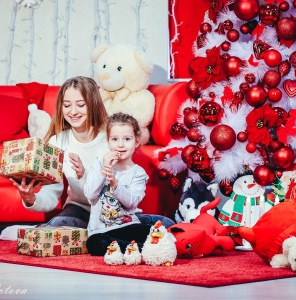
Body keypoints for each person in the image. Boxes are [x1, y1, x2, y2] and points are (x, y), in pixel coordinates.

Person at [9, 76, 174, 231]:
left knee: (165, 225)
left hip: (112, 210)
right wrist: (31, 199)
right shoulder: (57, 142)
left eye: (80, 105)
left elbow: (121, 187)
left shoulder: (110, 140)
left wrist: (85, 175)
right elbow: (52, 192)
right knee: (58, 225)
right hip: (78, 209)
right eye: (67, 105)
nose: (73, 111)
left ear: (93, 104)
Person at [85, 112, 153, 255]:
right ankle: (138, 249)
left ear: (137, 141)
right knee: (94, 243)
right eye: (114, 139)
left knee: (149, 231)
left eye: (127, 139)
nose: (120, 145)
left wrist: (115, 184)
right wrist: (104, 171)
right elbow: (90, 194)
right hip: (101, 231)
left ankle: (133, 248)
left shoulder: (138, 173)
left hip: (128, 226)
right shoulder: (99, 165)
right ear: (108, 141)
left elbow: (132, 203)